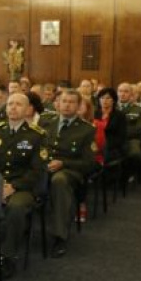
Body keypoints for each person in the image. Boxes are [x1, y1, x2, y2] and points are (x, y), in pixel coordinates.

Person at [0, 93, 47, 273]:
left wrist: (13, 187)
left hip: (23, 187)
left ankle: (8, 256)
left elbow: (37, 170)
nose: (13, 108)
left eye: (18, 104)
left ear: (27, 109)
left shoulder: (37, 135)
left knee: (16, 207)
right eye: (10, 104)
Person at [45, 90, 98, 257]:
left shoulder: (87, 129)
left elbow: (90, 163)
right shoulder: (46, 123)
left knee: (59, 181)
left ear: (78, 106)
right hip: (45, 167)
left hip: (71, 171)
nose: (67, 105)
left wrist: (63, 163)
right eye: (64, 101)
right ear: (58, 104)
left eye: (71, 102)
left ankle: (60, 236)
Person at [95, 87, 127, 165]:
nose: (104, 100)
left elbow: (121, 136)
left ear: (113, 100)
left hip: (112, 146)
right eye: (102, 98)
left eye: (108, 98)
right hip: (94, 144)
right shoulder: (94, 113)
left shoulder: (119, 115)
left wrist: (105, 144)